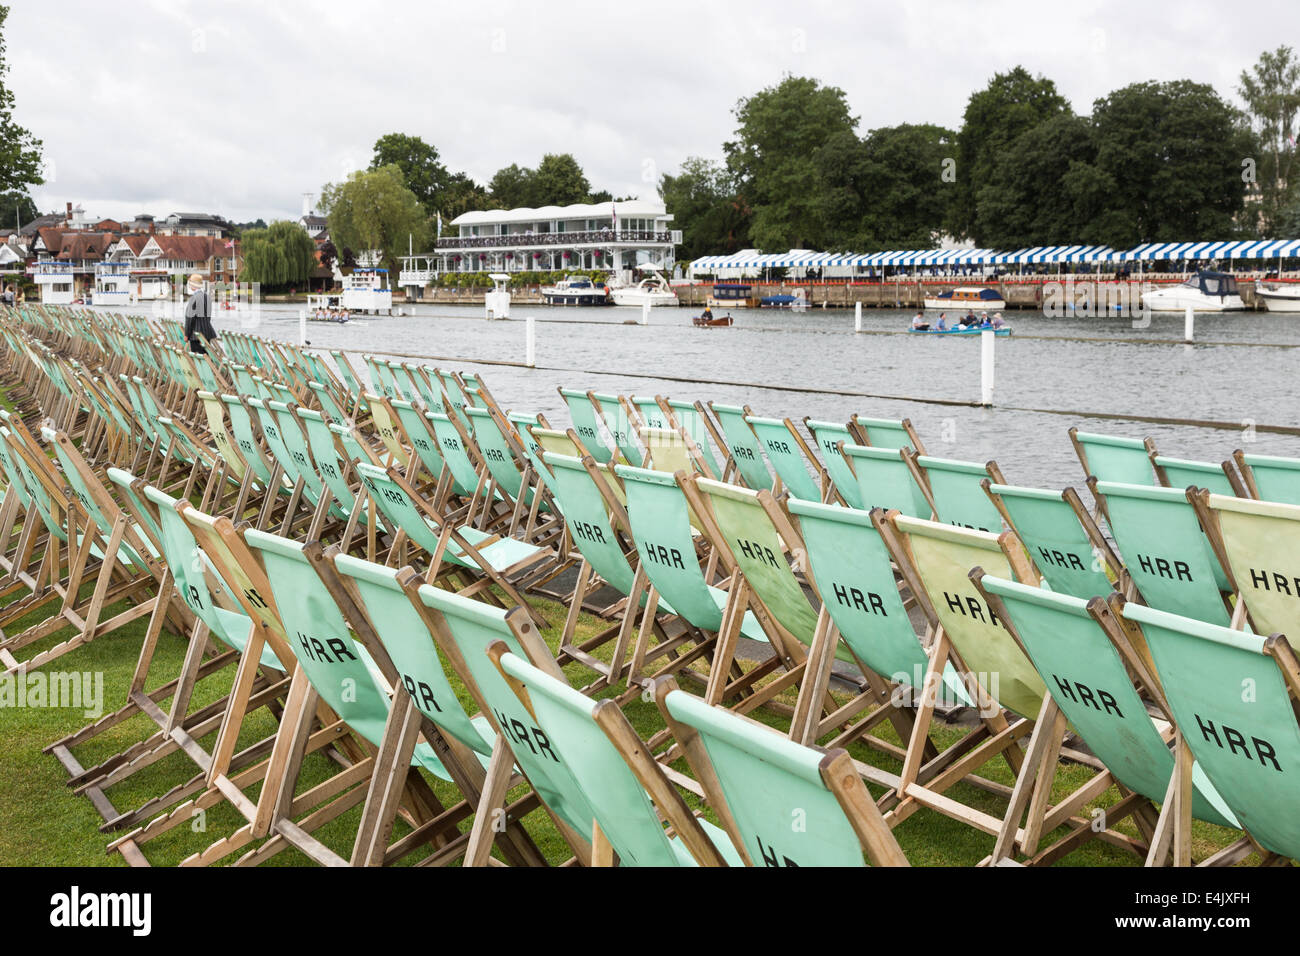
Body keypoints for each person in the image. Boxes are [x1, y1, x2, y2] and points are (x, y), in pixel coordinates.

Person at [183, 273, 218, 355]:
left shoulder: (194, 298)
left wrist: (186, 334)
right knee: (207, 358)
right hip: (207, 333)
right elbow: (208, 316)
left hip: (196, 335)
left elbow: (189, 319)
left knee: (198, 360)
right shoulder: (207, 297)